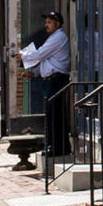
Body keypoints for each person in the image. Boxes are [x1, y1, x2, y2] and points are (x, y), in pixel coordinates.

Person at [18, 11, 71, 157]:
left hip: (56, 80)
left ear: (57, 24)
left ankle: (55, 148)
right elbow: (47, 62)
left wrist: (22, 55)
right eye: (46, 22)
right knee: (52, 114)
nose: (46, 25)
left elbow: (40, 54)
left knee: (54, 114)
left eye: (49, 22)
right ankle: (55, 146)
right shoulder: (53, 38)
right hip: (50, 80)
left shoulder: (58, 37)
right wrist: (34, 73)